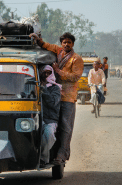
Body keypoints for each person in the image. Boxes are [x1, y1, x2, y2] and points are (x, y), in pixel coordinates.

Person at [30, 32, 84, 165]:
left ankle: (62, 154)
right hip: (53, 92)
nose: (66, 44)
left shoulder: (76, 59)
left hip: (67, 97)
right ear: (61, 43)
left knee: (65, 126)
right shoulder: (58, 51)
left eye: (69, 42)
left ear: (72, 44)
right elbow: (47, 46)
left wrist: (58, 71)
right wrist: (39, 41)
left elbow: (75, 76)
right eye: (64, 42)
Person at [39, 65, 61, 165]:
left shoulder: (55, 88)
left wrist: (43, 89)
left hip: (50, 120)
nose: (46, 75)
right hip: (37, 119)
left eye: (48, 72)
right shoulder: (35, 86)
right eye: (44, 73)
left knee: (49, 134)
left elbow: (52, 102)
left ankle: (42, 158)